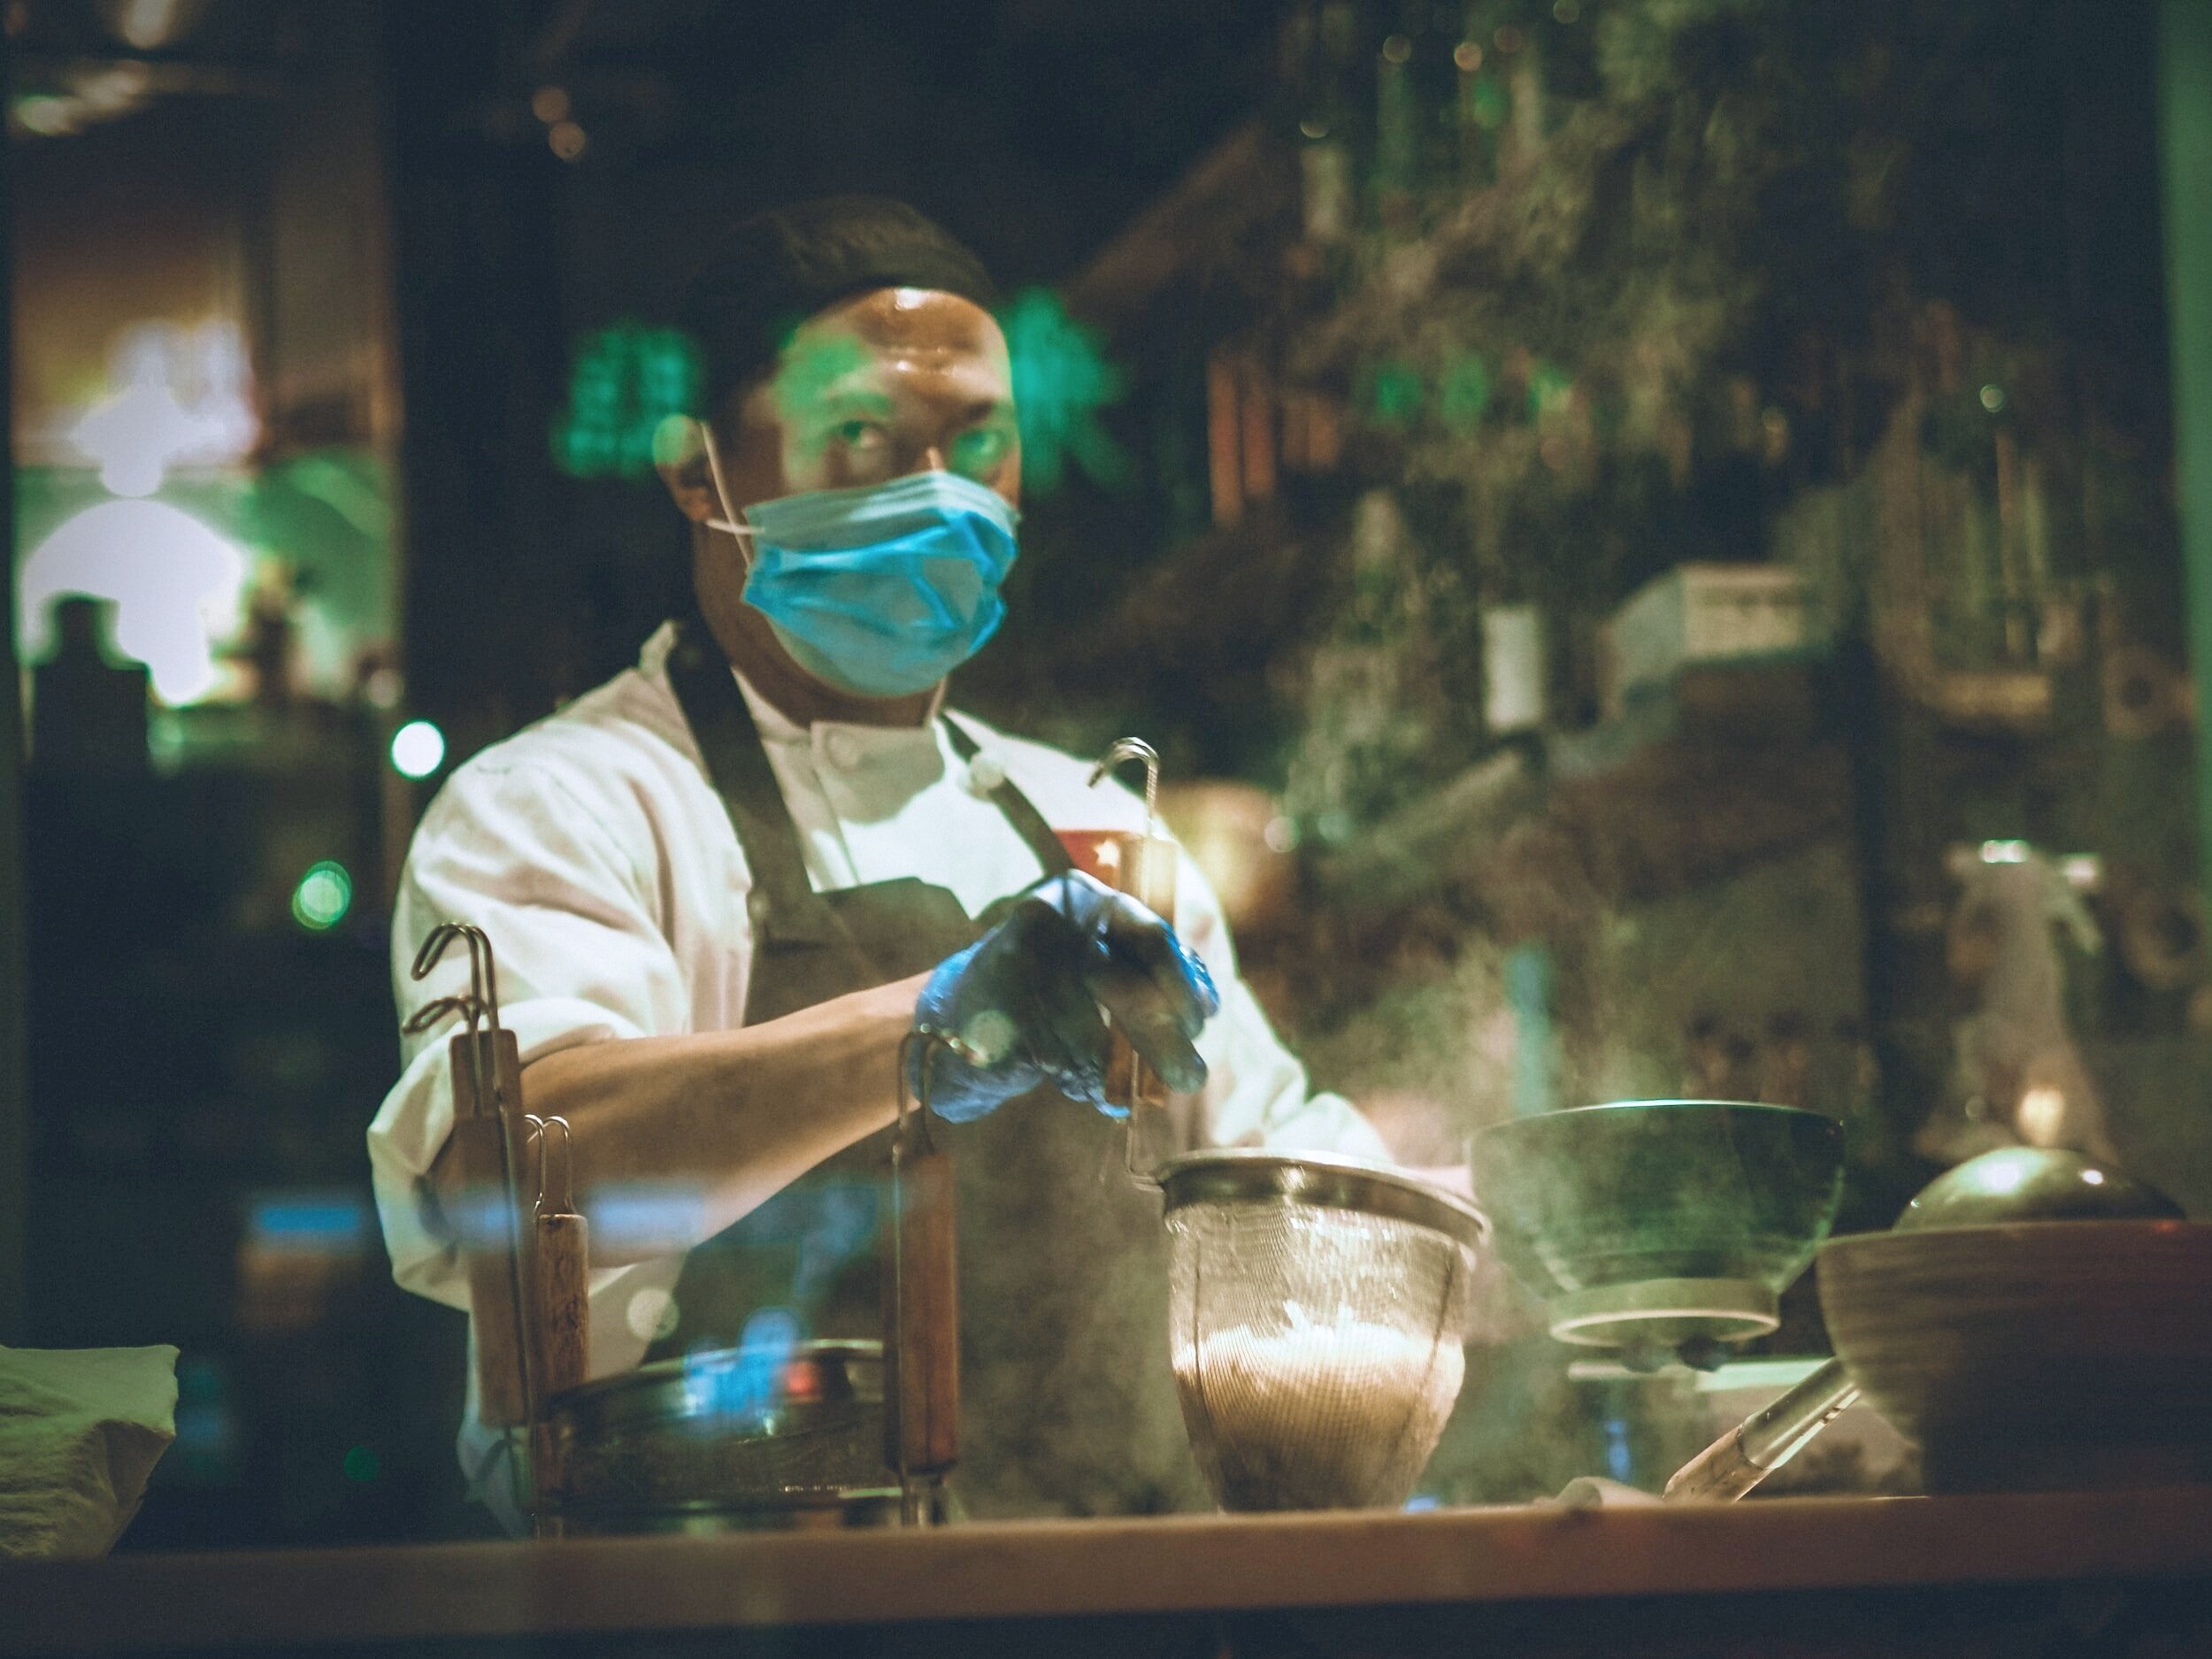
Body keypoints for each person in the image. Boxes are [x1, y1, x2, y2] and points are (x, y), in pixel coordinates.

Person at [368, 195, 1388, 1527]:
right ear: (696, 470)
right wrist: (936, 1027)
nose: (939, 495)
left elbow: (1283, 1188)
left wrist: (1520, 1220)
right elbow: (507, 1178)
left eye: (982, 443)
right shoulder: (561, 805)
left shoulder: (1095, 827)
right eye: (860, 438)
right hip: (710, 1592)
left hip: (1104, 1583)